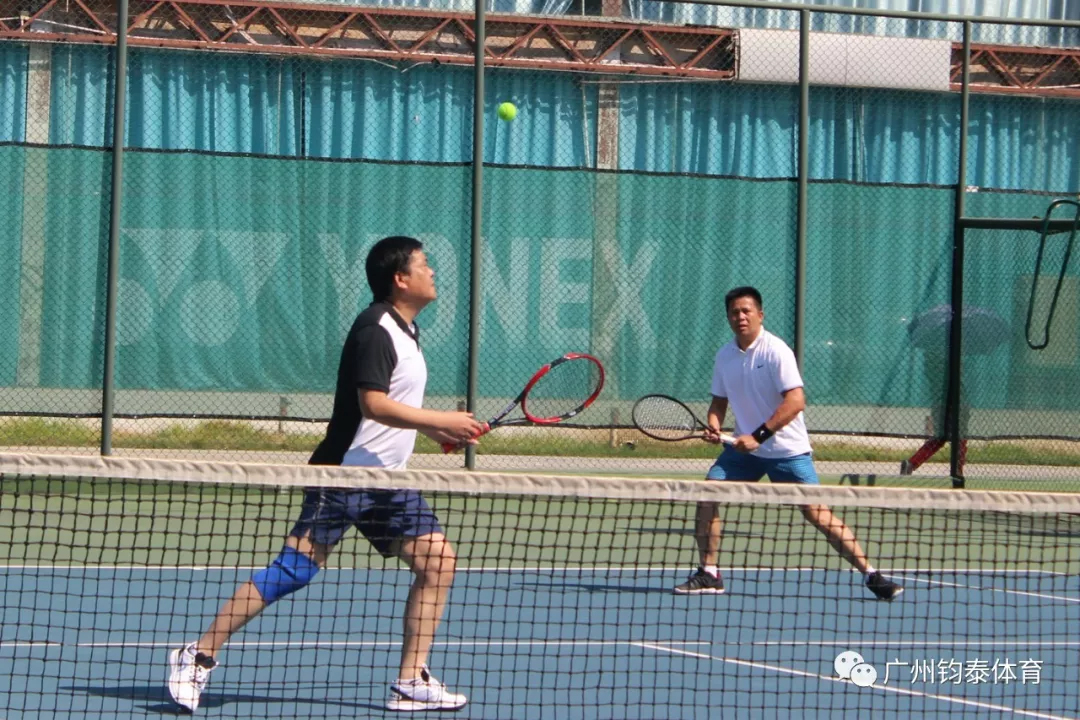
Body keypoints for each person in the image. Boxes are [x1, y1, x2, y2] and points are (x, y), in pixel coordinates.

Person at [166, 236, 486, 712]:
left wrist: (433, 432)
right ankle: (197, 655)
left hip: (388, 480)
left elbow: (392, 407)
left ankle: (410, 680)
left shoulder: (407, 331)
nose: (433, 271)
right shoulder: (376, 329)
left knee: (438, 562)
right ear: (400, 279)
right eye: (424, 264)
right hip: (344, 476)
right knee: (294, 570)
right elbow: (372, 404)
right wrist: (442, 419)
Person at [674, 286, 903, 601]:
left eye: (746, 311)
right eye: (734, 312)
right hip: (744, 454)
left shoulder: (776, 351)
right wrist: (714, 424)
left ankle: (871, 575)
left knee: (817, 514)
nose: (740, 317)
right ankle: (709, 573)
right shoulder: (724, 356)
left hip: (787, 451)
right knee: (707, 494)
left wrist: (758, 436)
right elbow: (719, 402)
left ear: (760, 315)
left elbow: (796, 401)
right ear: (728, 318)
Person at [900, 304, 1007, 475]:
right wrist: (957, 357)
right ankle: (958, 471)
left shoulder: (931, 360)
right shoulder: (944, 361)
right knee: (960, 437)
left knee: (940, 437)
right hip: (957, 401)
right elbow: (953, 373)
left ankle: (912, 463)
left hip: (940, 402)